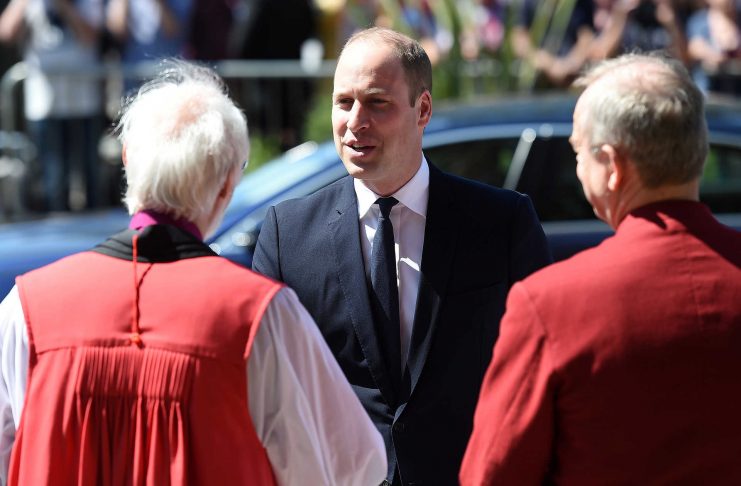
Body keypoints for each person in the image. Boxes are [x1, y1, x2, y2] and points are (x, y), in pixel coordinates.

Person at [0, 60, 387, 486]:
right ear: (225, 186)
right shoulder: (259, 315)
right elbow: (349, 465)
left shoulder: (27, 308)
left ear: (128, 160)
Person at [252, 27, 553, 486]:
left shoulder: (502, 223)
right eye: (344, 102)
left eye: (377, 103)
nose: (355, 121)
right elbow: (269, 391)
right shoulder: (286, 234)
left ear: (423, 110)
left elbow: (543, 370)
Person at [460, 52, 741, 485]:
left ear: (612, 167)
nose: (577, 167)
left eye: (578, 152)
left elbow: (493, 474)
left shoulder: (551, 304)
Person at [0, 0, 104, 211]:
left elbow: (90, 37)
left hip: (83, 100)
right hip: (44, 103)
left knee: (89, 173)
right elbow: (7, 32)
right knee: (53, 178)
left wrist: (63, 6)